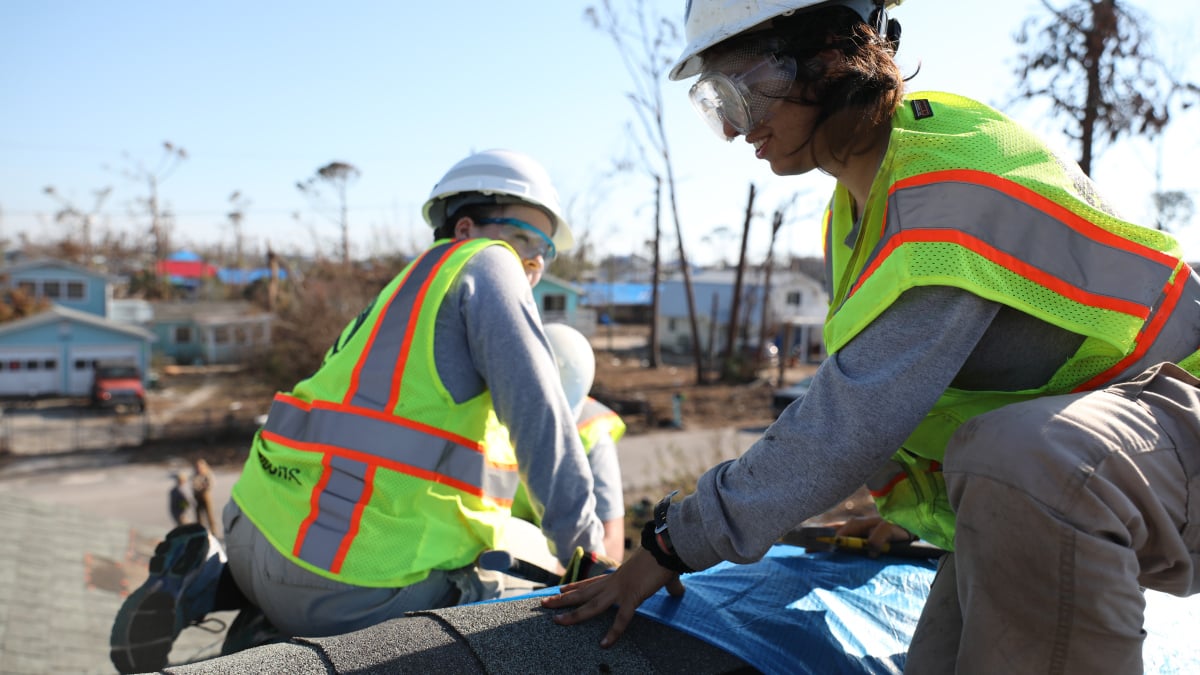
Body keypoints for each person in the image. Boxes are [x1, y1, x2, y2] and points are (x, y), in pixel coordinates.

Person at [544, 2, 1200, 672]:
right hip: (1106, 459)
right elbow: (910, 393)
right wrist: (919, 516)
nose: (738, 127)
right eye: (714, 102)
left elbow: (846, 424)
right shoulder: (859, 213)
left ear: (828, 54)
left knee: (1019, 460)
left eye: (741, 87)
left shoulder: (940, 188)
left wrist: (667, 545)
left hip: (1169, 426)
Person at [110, 149, 611, 673]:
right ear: (465, 228)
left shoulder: (398, 300)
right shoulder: (487, 262)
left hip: (248, 538)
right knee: (539, 590)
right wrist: (589, 556)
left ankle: (208, 580)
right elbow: (541, 416)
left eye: (545, 253)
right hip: (344, 586)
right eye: (526, 241)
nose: (534, 267)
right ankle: (283, 634)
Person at [511, 322, 628, 562]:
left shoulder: (592, 435)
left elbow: (612, 544)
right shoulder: (502, 419)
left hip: (563, 568)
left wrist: (565, 576)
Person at [190, 458, 217, 535]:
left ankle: (213, 531)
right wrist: (199, 486)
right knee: (198, 515)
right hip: (197, 496)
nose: (199, 468)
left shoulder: (207, 474)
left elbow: (212, 484)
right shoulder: (195, 475)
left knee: (209, 515)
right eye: (197, 466)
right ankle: (200, 531)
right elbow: (193, 484)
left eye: (200, 466)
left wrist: (204, 487)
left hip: (206, 496)